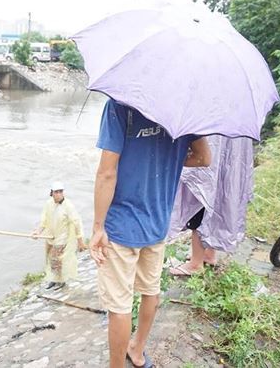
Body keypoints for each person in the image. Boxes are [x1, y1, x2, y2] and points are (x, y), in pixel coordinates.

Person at [89, 98, 211, 368]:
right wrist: (173, 157)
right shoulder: (185, 108)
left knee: (120, 307)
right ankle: (138, 351)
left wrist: (98, 227)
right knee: (150, 291)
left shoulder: (120, 105)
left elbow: (107, 172)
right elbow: (204, 158)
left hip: (121, 225)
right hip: (157, 222)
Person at [167, 135, 254, 276]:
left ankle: (196, 263)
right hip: (232, 153)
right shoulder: (240, 115)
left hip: (211, 154)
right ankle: (209, 254)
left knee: (200, 199)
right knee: (218, 196)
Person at [33, 182, 86, 290]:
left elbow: (76, 223)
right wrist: (38, 232)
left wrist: (80, 241)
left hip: (62, 237)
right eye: (56, 192)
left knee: (56, 258)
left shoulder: (68, 206)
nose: (59, 194)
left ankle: (61, 281)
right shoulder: (48, 204)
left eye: (60, 192)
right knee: (49, 258)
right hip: (50, 236)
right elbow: (44, 220)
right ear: (51, 193)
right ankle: (54, 279)